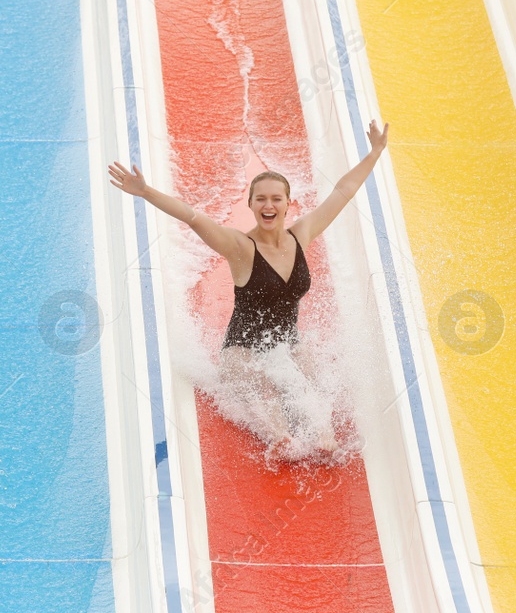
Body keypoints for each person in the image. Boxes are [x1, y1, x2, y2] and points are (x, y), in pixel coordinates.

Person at [107, 120, 389, 456]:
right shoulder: (240, 248)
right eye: (261, 199)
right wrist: (146, 192)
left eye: (276, 199)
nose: (268, 206)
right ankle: (282, 438)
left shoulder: (302, 234)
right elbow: (194, 218)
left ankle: (324, 439)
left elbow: (342, 192)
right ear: (252, 205)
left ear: (287, 203)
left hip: (287, 343)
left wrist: (375, 153)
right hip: (240, 351)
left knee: (317, 384)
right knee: (267, 394)